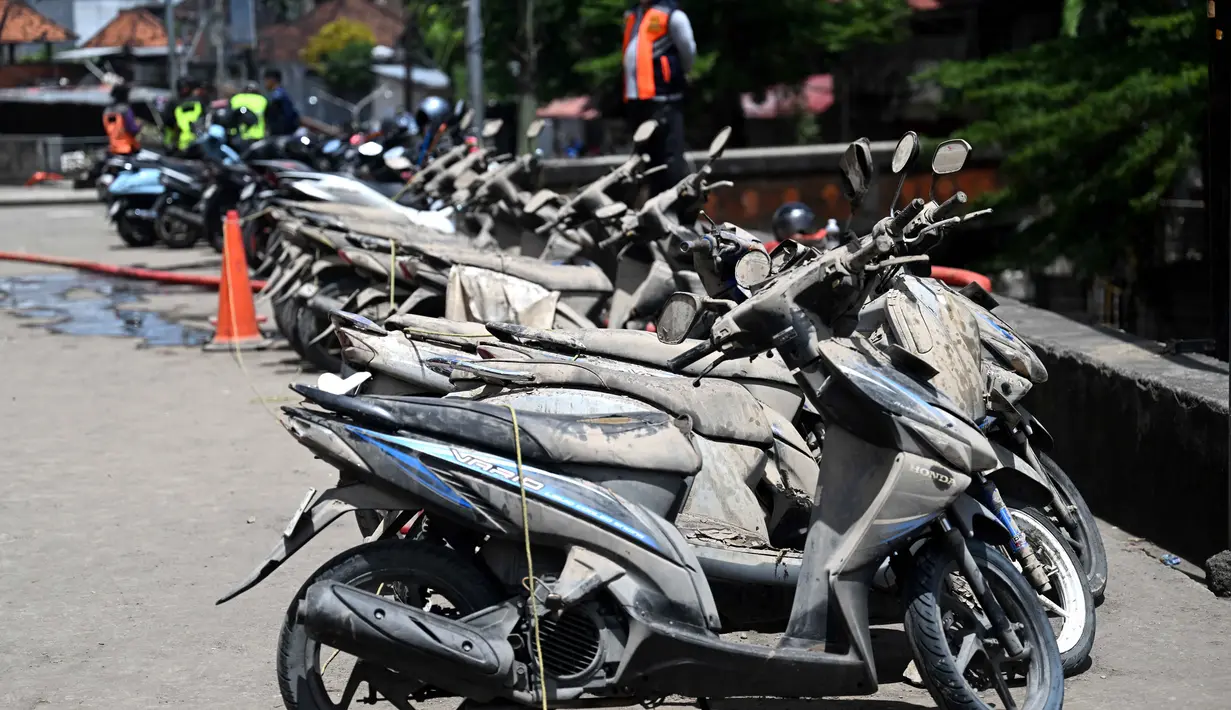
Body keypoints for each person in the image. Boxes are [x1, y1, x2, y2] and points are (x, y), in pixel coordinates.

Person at [621, 0, 696, 218]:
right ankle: (650, 213)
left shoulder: (672, 16)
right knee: (645, 162)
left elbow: (688, 52)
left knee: (669, 161)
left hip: (664, 98)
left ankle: (675, 213)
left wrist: (677, 75)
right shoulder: (633, 15)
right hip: (638, 100)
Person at [102, 84, 141, 156]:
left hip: (113, 148)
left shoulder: (107, 111)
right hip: (127, 148)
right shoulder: (125, 110)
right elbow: (132, 129)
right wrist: (139, 125)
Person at [263, 69, 301, 136]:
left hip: (281, 134)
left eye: (266, 80)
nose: (265, 83)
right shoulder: (282, 94)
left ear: (272, 80)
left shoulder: (277, 97)